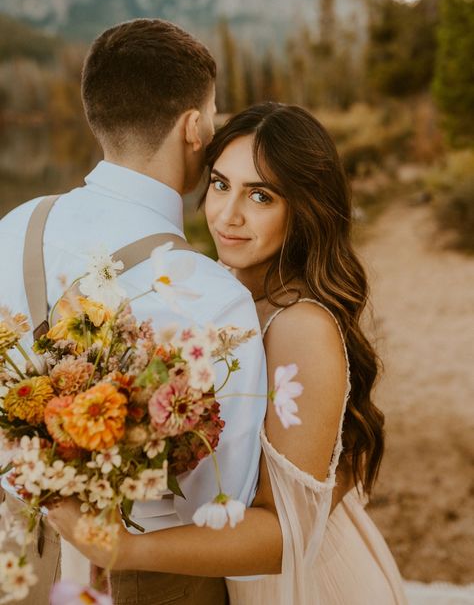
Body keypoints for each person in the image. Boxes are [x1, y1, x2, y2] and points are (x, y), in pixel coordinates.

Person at [49, 103, 408, 604]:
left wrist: (121, 549)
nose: (227, 215)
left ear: (304, 208)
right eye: (220, 184)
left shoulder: (300, 325)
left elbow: (285, 535)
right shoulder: (219, 295)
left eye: (260, 196)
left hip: (294, 587)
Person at [0, 19, 267, 605]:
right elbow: (226, 503)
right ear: (193, 127)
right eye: (213, 114)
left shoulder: (13, 227)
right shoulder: (215, 297)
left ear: (97, 114)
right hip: (152, 583)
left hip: (17, 568)